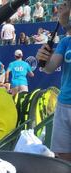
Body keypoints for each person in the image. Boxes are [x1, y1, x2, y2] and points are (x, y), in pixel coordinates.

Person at [36, 0, 71, 162]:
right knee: (63, 158)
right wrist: (43, 59)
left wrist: (65, 25)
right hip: (63, 104)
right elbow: (49, 68)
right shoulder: (65, 42)